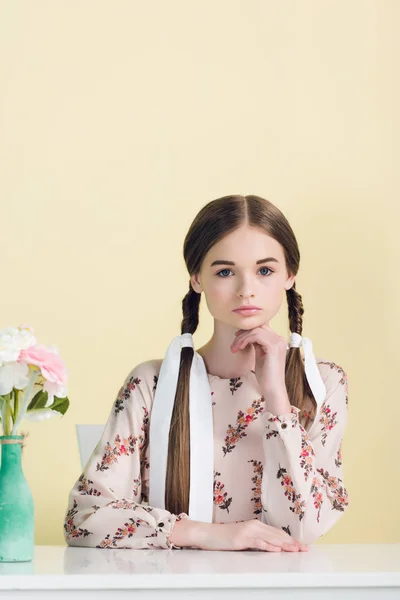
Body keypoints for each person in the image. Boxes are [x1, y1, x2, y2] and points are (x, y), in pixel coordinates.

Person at [63, 194, 349, 552]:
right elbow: (85, 518)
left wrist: (276, 396)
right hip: (176, 588)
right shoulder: (152, 384)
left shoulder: (321, 384)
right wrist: (213, 534)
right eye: (225, 272)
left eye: (265, 270)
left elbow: (306, 527)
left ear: (289, 276)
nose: (247, 289)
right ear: (197, 278)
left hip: (284, 587)